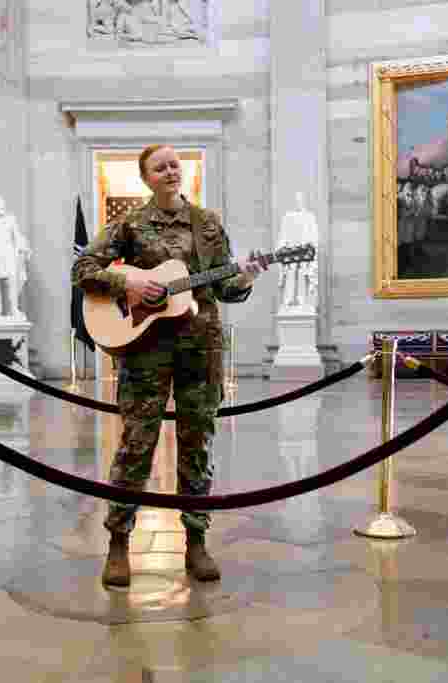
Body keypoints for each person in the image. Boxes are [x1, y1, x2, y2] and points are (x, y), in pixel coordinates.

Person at [72, 144, 269, 587]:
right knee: (136, 446)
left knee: (197, 444)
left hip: (201, 350)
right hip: (145, 351)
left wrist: (249, 275)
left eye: (175, 164)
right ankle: (118, 543)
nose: (170, 171)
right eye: (159, 167)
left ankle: (196, 543)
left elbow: (226, 288)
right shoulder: (129, 224)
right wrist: (130, 280)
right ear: (146, 178)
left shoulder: (208, 225)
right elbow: (84, 266)